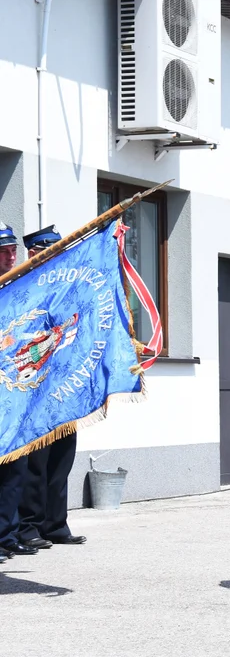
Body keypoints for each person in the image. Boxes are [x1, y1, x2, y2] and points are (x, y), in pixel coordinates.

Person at [15, 226, 87, 549]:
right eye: (50, 250)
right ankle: (29, 525)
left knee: (62, 456)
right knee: (36, 460)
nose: (57, 256)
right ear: (34, 252)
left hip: (64, 385)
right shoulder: (25, 285)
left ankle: (55, 523)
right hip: (36, 386)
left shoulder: (64, 286)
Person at [0, 223, 39, 560]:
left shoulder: (21, 285)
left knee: (15, 470)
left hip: (16, 394)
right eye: (4, 251)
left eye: (13, 250)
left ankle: (7, 534)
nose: (11, 255)